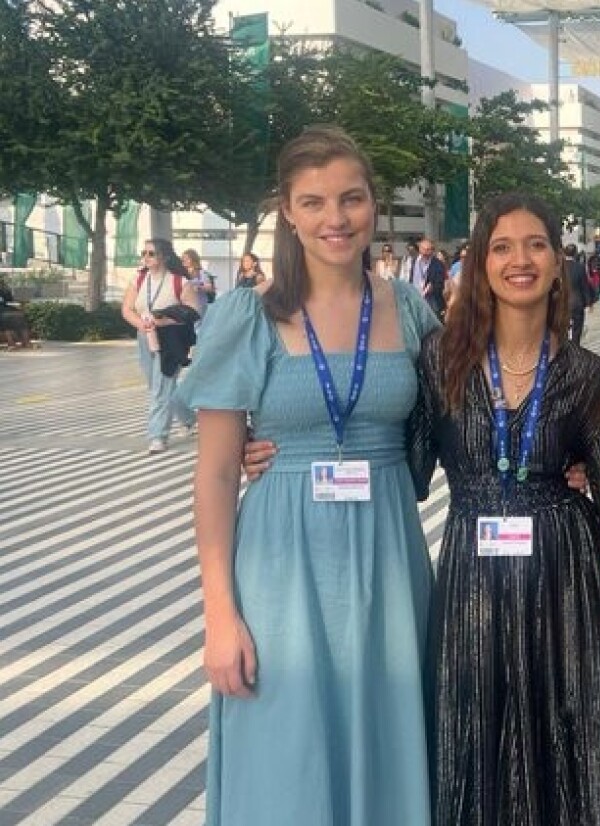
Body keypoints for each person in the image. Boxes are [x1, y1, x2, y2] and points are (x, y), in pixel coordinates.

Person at [180, 126, 440, 825]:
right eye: (314, 201)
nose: (336, 218)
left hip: (388, 565)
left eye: (351, 199)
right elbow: (211, 478)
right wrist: (219, 616)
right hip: (279, 571)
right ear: (288, 212)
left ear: (373, 205)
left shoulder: (409, 310)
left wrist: (560, 468)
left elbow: (467, 416)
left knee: (388, 748)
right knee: (286, 758)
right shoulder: (248, 315)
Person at [407, 192, 600, 826]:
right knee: (471, 727)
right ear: (480, 263)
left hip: (562, 577)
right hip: (471, 576)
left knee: (565, 729)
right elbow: (408, 470)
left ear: (558, 262)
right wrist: (288, 450)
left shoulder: (587, 373)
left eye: (535, 244)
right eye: (501, 247)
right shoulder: (440, 362)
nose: (520, 260)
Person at [120, 239, 199, 454]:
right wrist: (143, 325)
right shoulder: (138, 279)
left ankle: (157, 436)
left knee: (161, 388)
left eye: (151, 253)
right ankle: (189, 418)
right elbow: (127, 309)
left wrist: (163, 321)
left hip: (171, 339)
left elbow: (193, 311)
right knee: (157, 386)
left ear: (164, 256)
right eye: (144, 252)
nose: (146, 257)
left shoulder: (179, 282)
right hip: (145, 337)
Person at [563, 242, 593, 345]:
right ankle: (575, 347)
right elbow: (584, 286)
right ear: (575, 253)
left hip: (561, 302)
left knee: (562, 326)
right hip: (577, 302)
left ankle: (564, 346)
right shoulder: (579, 267)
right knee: (577, 327)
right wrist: (589, 303)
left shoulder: (558, 267)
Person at [0, 274, 35, 350]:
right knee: (7, 319)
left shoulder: (3, 290)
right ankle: (12, 343)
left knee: (19, 316)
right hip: (3, 312)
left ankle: (25, 342)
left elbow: (10, 299)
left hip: (6, 310)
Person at [181, 249, 217, 319]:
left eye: (186, 258)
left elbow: (209, 287)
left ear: (193, 259)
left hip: (199, 306)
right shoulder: (182, 274)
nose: (184, 260)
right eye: (183, 258)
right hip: (185, 306)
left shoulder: (201, 272)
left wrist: (199, 287)